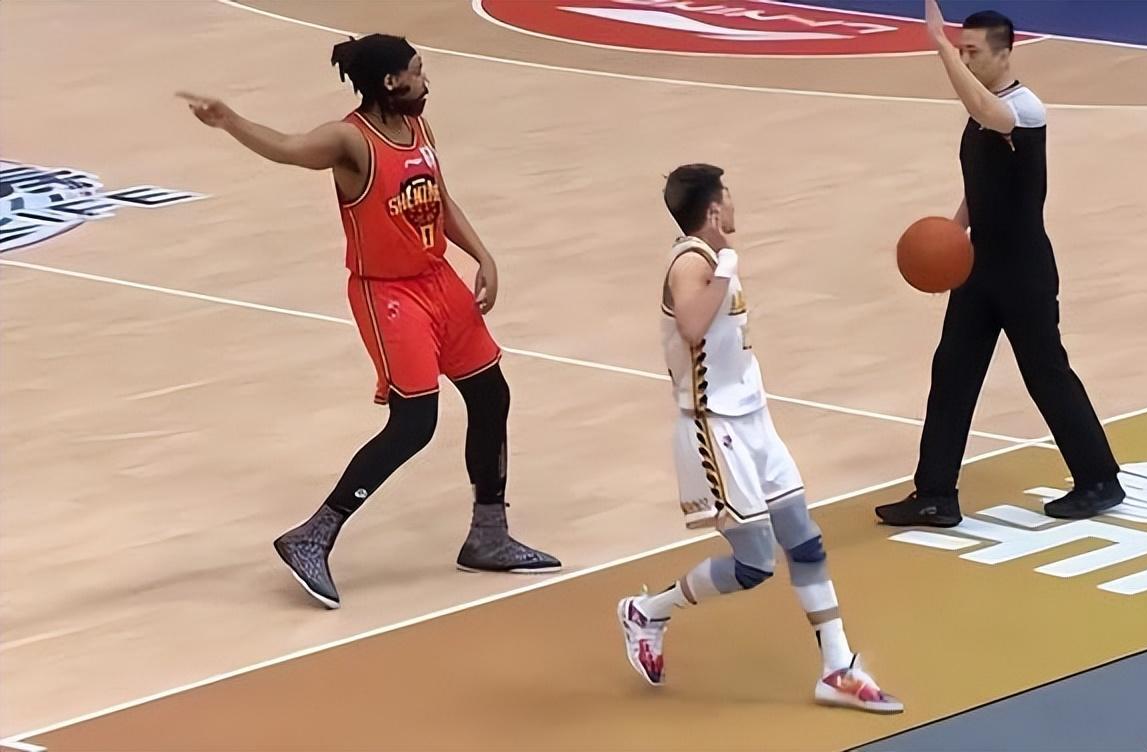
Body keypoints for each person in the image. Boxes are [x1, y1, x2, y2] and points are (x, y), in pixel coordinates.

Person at [177, 33, 559, 609]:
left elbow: (439, 201)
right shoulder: (351, 141)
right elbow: (288, 148)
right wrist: (229, 120)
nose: (426, 81)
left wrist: (483, 255)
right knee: (414, 423)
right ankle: (312, 535)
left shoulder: (419, 129)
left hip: (438, 280)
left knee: (491, 396)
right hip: (388, 294)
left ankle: (489, 535)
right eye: (418, 71)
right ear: (390, 81)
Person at [616, 164, 903, 713]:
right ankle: (648, 611)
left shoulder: (712, 257)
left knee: (805, 539)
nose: (733, 203)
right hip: (714, 426)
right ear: (713, 209)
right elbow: (691, 325)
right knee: (755, 564)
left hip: (754, 420)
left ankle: (837, 668)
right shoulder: (690, 261)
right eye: (727, 195)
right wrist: (725, 268)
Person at [876, 2, 1125, 529]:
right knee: (952, 372)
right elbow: (981, 184)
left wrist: (939, 46)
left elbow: (983, 107)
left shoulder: (1025, 109)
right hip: (979, 266)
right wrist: (951, 235)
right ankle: (935, 493)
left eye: (973, 52)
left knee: (1045, 373)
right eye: (961, 50)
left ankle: (1100, 479)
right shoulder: (983, 112)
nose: (966, 59)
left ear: (1005, 54)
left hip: (1023, 269)